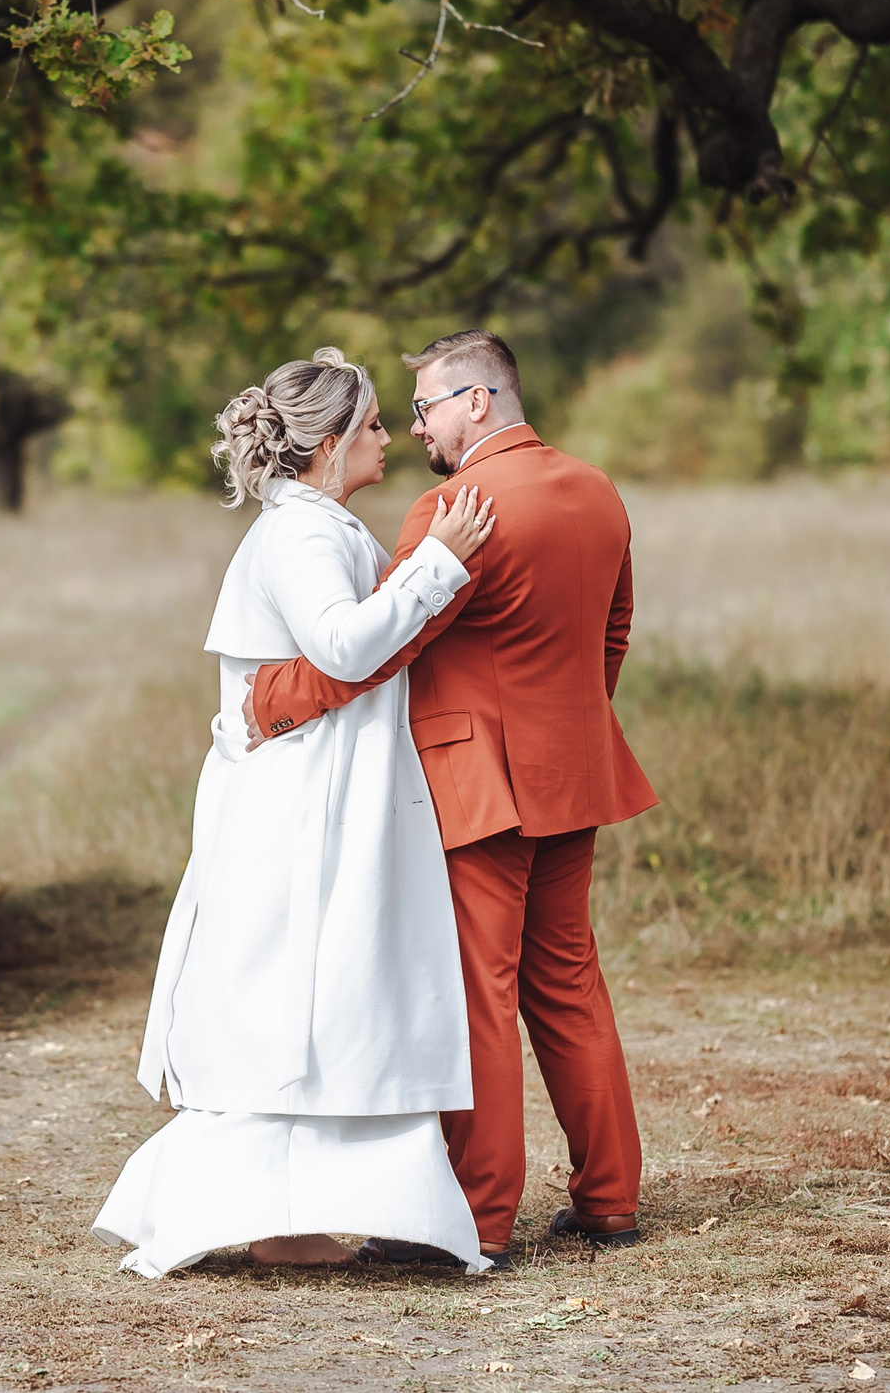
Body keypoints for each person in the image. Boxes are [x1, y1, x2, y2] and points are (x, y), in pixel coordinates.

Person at [246, 329, 658, 1268]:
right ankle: (609, 1200)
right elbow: (616, 624)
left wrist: (269, 697)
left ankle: (477, 1221)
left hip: (478, 785)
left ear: (479, 400)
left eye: (426, 406)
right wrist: (571, 722)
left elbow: (381, 649)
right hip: (575, 769)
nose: (418, 426)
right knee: (569, 982)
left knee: (481, 995)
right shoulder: (597, 489)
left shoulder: (451, 506)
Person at [92, 348, 498, 1277]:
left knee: (327, 989)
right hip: (305, 799)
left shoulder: (319, 523)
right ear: (326, 445)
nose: (392, 438)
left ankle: (295, 1213)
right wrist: (440, 562)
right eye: (373, 427)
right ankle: (276, 1215)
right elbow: (345, 647)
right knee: (303, 988)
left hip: (324, 780)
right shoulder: (305, 536)